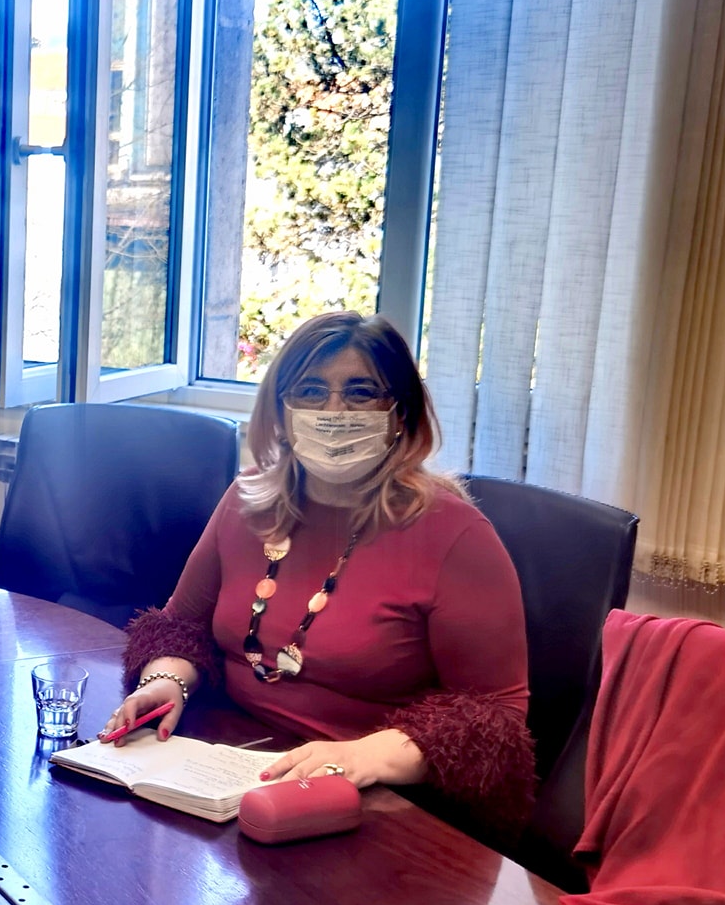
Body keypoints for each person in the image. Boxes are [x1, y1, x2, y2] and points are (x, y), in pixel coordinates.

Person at [100, 311, 535, 837]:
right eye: (310, 391)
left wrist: (366, 756)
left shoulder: (457, 534)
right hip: (231, 765)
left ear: (400, 412)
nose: (333, 411)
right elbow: (180, 626)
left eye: (360, 392)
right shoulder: (247, 499)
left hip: (374, 802)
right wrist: (165, 681)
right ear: (281, 412)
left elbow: (495, 717)